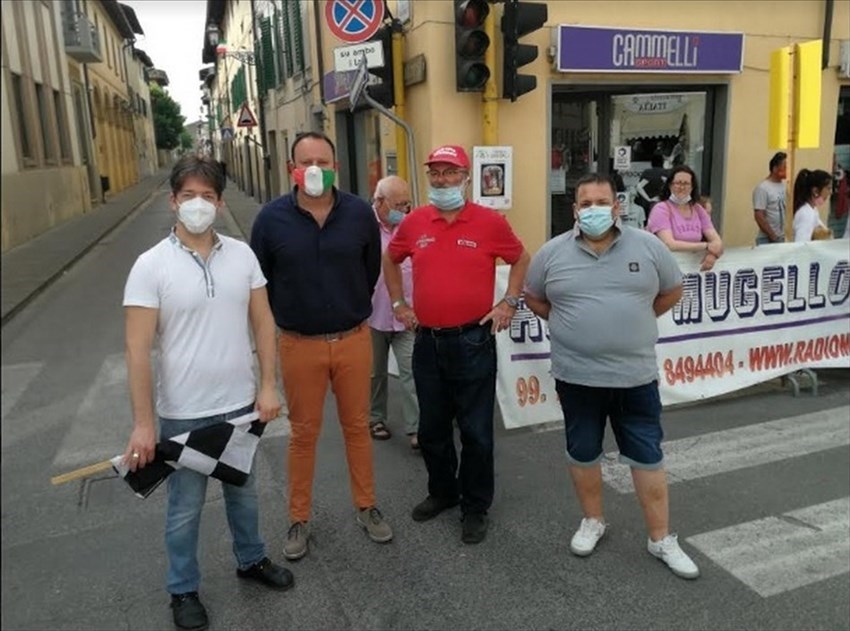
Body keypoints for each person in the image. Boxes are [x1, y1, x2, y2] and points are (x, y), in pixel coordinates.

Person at [122, 155, 293, 631]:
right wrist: (144, 424)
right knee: (184, 509)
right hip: (184, 412)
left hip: (239, 405)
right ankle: (182, 589)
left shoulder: (242, 255)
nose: (198, 204)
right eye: (189, 195)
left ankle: (251, 559)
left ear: (219, 203)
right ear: (173, 200)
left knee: (244, 494)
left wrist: (267, 385)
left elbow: (263, 322)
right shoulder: (150, 266)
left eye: (208, 196)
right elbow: (136, 350)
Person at [523, 173, 700, 580]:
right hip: (577, 377)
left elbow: (672, 291)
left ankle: (661, 538)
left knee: (647, 455)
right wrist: (571, 323)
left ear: (617, 206)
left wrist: (634, 319)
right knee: (583, 452)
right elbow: (534, 298)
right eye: (586, 204)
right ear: (575, 210)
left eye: (602, 202)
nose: (594, 210)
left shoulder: (649, 246)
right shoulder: (551, 254)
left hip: (635, 376)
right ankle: (593, 521)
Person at [250, 132, 392, 562]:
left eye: (323, 161)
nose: (314, 168)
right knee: (303, 435)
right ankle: (299, 518)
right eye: (305, 161)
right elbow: (260, 285)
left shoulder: (359, 215)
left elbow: (369, 272)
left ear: (335, 166)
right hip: (299, 345)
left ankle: (366, 506)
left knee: (357, 428)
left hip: (353, 340)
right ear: (291, 167)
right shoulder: (270, 220)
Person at [384, 144, 530, 545]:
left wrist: (509, 302)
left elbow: (520, 258)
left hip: (472, 340)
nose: (442, 180)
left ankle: (475, 506)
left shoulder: (489, 222)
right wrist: (398, 304)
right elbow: (390, 259)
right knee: (431, 429)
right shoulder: (415, 222)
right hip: (427, 341)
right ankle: (443, 492)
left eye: (450, 172)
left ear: (466, 178)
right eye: (435, 173)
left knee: (476, 432)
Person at [368, 175, 419, 450]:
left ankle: (417, 428)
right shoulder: (362, 226)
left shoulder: (412, 226)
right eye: (398, 205)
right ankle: (375, 418)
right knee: (374, 373)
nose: (403, 210)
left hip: (407, 315)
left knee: (412, 372)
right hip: (372, 314)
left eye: (406, 204)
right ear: (379, 202)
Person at [646, 165, 724, 271]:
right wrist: (706, 246)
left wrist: (712, 255)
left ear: (692, 187)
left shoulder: (698, 209)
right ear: (670, 185)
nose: (682, 187)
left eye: (686, 183)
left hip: (691, 271)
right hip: (664, 269)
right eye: (678, 183)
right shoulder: (661, 209)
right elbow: (669, 244)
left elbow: (717, 241)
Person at [753, 151, 788, 244]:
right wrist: (773, 236)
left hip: (782, 237)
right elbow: (759, 215)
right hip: (767, 239)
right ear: (775, 168)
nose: (788, 170)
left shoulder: (784, 186)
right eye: (785, 167)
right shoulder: (763, 188)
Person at [792, 168, 833, 242]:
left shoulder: (812, 210)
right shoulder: (806, 214)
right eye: (828, 188)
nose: (830, 192)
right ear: (815, 191)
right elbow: (801, 244)